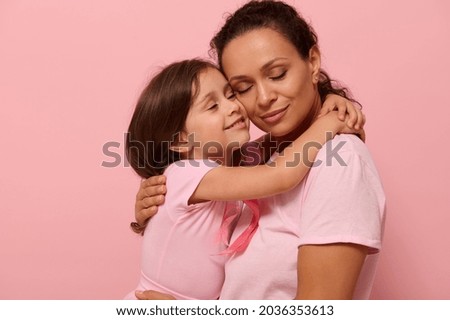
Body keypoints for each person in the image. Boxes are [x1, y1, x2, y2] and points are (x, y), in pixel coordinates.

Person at [134, 0, 385, 300]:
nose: (264, 98)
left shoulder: (339, 161)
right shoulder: (256, 159)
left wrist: (332, 119)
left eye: (277, 74)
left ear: (313, 61)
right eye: (243, 88)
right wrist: (151, 209)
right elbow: (273, 170)